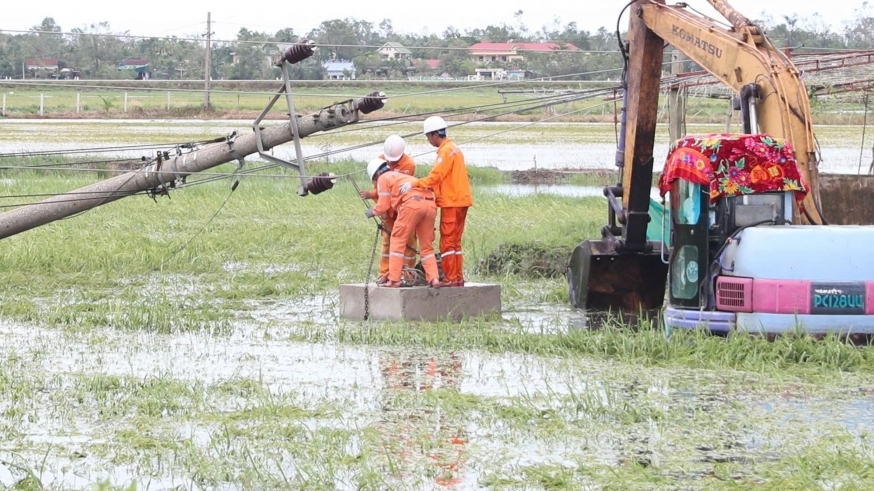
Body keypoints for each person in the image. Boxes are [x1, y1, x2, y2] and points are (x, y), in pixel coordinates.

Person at [400, 116, 472, 287]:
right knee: (455, 243)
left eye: (428, 137)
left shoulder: (445, 151)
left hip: (451, 202)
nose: (428, 141)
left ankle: (450, 278)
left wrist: (415, 183)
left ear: (434, 135)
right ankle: (457, 277)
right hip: (461, 200)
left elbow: (436, 176)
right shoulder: (454, 148)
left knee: (447, 242)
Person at [364, 158, 441, 289]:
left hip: (412, 205)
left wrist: (372, 211)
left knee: (397, 239)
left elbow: (383, 205)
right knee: (427, 246)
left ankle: (394, 280)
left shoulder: (383, 178)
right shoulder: (402, 176)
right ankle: (434, 278)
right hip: (430, 204)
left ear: (376, 175)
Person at [359, 135, 418, 284]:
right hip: (386, 210)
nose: (390, 163)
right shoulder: (380, 162)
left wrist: (375, 209)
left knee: (408, 240)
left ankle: (408, 273)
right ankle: (385, 273)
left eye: (394, 160)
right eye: (389, 159)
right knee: (387, 241)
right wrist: (373, 196)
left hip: (403, 209)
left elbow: (400, 189)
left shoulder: (409, 165)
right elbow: (379, 189)